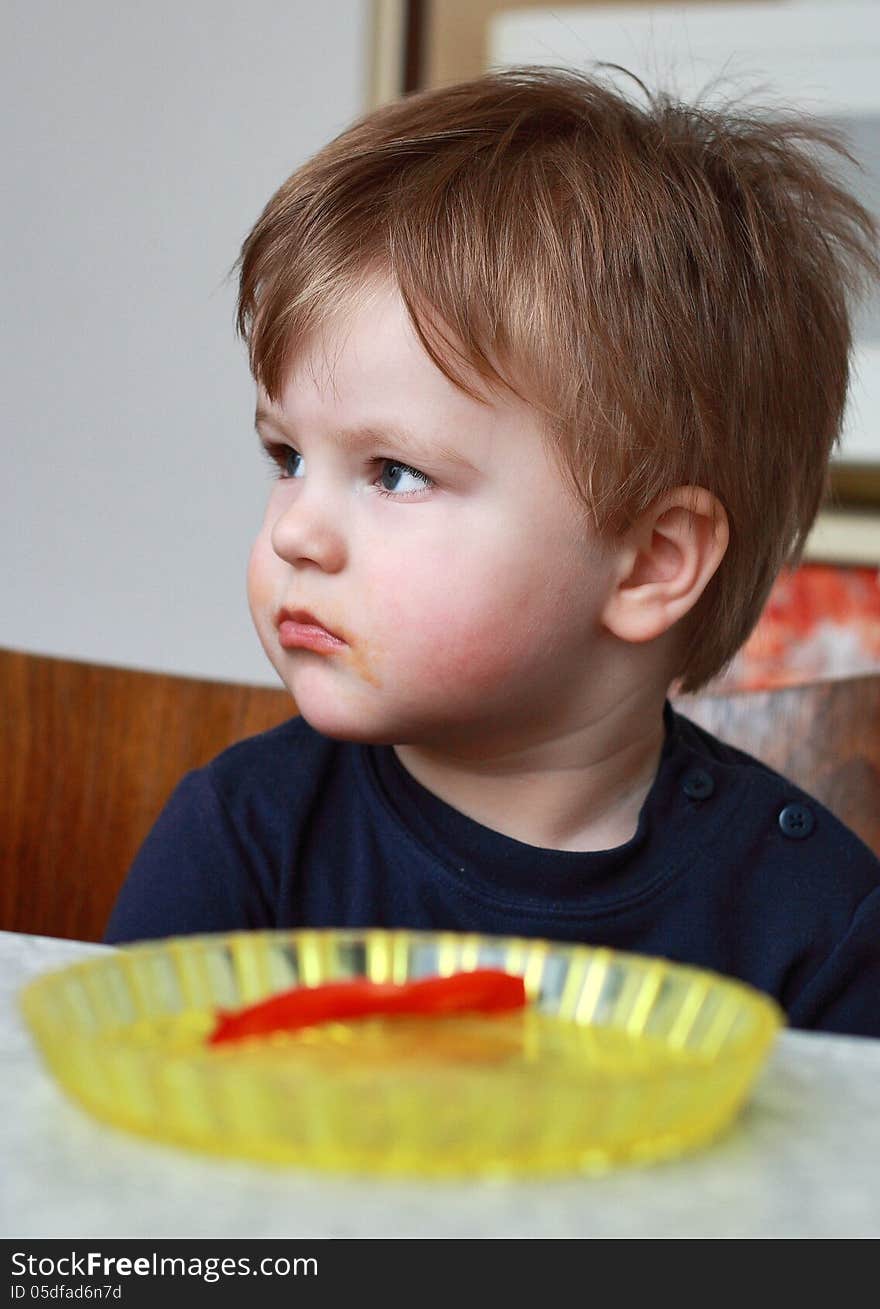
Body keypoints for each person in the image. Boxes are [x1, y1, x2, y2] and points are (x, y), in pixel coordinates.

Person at [105, 65, 880, 1037]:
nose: (294, 529)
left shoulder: (816, 927)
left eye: (393, 472)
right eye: (288, 455)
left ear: (649, 561)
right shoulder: (245, 840)